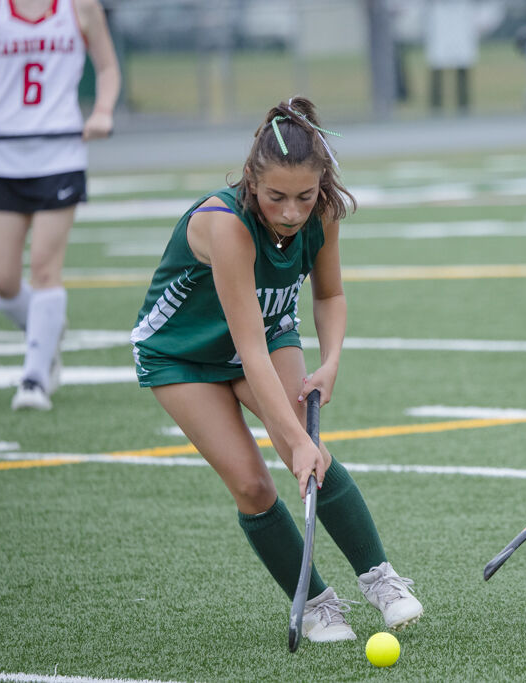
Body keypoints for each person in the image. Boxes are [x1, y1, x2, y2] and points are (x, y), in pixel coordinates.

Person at [130, 97, 424, 644]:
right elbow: (248, 349)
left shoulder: (324, 214)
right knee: (253, 482)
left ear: (322, 187)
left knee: (308, 455)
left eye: (304, 197)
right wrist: (295, 438)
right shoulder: (226, 225)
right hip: (182, 353)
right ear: (251, 180)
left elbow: (330, 295)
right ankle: (314, 603)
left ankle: (381, 580)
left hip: (268, 330)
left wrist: (330, 363)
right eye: (276, 198)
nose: (291, 211)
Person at [0, 0, 120, 411]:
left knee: (46, 269)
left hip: (60, 155)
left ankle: (33, 378)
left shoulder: (81, 8)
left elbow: (107, 68)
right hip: (3, 157)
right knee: (4, 283)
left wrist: (101, 112)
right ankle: (47, 331)